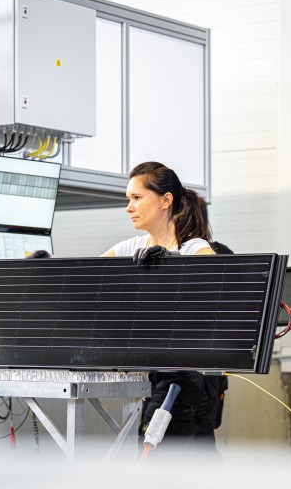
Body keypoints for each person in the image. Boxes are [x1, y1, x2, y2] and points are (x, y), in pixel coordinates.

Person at [101, 161, 225, 454]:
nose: (129, 207)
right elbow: (85, 276)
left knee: (158, 470)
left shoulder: (193, 248)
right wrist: (48, 266)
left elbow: (217, 282)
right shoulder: (130, 248)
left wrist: (171, 264)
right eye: (128, 200)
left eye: (137, 198)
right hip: (153, 376)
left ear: (166, 200)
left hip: (182, 382)